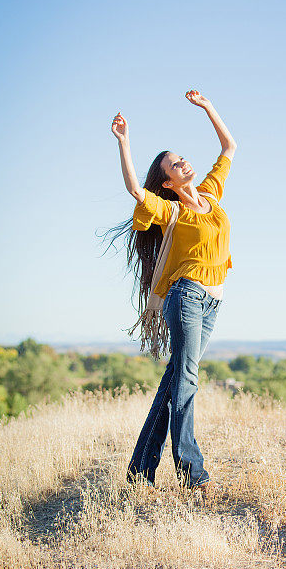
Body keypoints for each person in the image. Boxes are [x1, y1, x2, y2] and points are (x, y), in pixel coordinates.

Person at [108, 90, 236, 502]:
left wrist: (208, 108)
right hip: (187, 298)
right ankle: (191, 471)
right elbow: (134, 190)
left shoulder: (212, 196)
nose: (184, 162)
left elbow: (229, 146)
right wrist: (125, 143)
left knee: (176, 380)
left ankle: (140, 470)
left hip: (212, 301)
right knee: (187, 378)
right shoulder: (170, 211)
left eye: (182, 157)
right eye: (174, 164)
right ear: (168, 182)